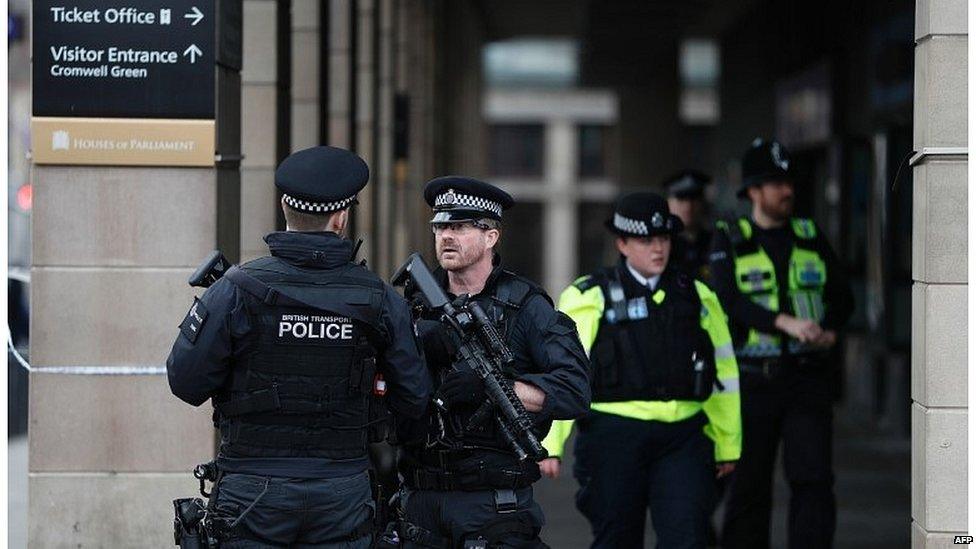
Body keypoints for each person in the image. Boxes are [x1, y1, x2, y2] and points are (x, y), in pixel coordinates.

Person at [166, 146, 432, 548]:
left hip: (251, 492)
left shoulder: (235, 290)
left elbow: (185, 382)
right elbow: (414, 400)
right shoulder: (378, 298)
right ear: (341, 217)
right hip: (341, 492)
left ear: (284, 208)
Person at [395, 176, 591, 548]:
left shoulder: (527, 306)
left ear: (491, 237)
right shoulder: (409, 305)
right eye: (441, 226)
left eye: (461, 227)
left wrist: (496, 385)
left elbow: (574, 391)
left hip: (491, 504)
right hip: (418, 500)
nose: (447, 236)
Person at [538, 192, 741, 549]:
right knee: (617, 538)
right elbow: (565, 374)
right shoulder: (589, 296)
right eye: (646, 240)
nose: (658, 249)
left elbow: (723, 374)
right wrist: (550, 443)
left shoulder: (698, 296)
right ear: (622, 243)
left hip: (684, 437)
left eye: (663, 239)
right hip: (613, 438)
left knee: (689, 538)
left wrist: (727, 442)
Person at [712, 138, 854, 549]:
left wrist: (828, 328)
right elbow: (729, 301)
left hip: (807, 381)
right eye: (775, 183)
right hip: (754, 382)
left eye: (787, 181)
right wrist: (784, 322)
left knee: (813, 481)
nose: (785, 190)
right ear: (753, 191)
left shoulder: (810, 234)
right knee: (749, 486)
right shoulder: (730, 237)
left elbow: (844, 298)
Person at [665, 170, 714, 281]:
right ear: (668, 202)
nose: (688, 207)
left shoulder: (715, 241)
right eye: (681, 199)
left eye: (694, 199)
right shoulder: (662, 245)